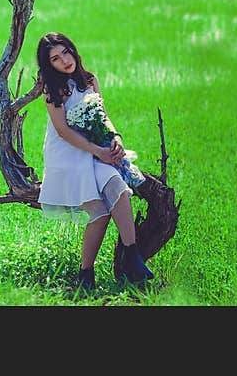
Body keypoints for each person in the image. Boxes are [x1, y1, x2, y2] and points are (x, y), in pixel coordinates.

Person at [35, 32, 154, 291]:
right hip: (67, 155)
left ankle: (132, 257)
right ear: (49, 65)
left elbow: (103, 115)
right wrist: (97, 151)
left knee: (119, 188)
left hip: (94, 151)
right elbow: (64, 131)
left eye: (66, 52)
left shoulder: (89, 80)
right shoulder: (53, 91)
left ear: (73, 50)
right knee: (99, 212)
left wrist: (115, 137)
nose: (64, 60)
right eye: (55, 59)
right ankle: (85, 275)